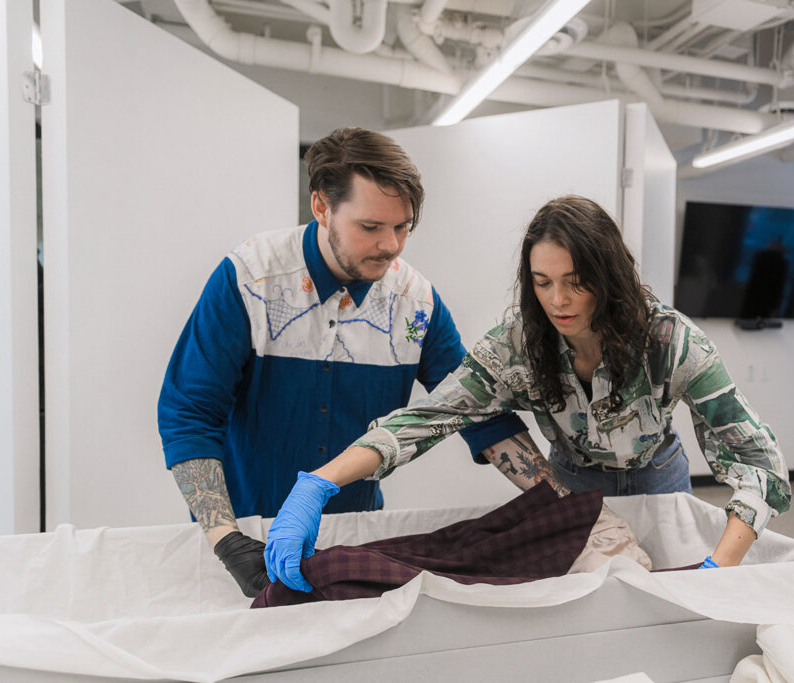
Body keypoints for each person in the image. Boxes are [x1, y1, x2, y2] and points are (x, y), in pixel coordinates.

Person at [264, 195, 792, 593]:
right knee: (582, 607)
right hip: (571, 486)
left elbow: (759, 463)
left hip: (660, 477)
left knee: (664, 601)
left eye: (575, 281)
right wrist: (318, 484)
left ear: (609, 278)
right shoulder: (519, 344)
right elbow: (428, 417)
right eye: (542, 282)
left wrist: (717, 568)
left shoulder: (670, 342)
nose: (557, 300)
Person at [158, 128, 530, 597]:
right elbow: (188, 413)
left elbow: (477, 410)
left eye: (403, 227)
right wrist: (226, 540)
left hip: (355, 536)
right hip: (243, 538)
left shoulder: (415, 304)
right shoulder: (250, 279)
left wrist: (567, 507)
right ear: (321, 207)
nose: (391, 246)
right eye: (371, 227)